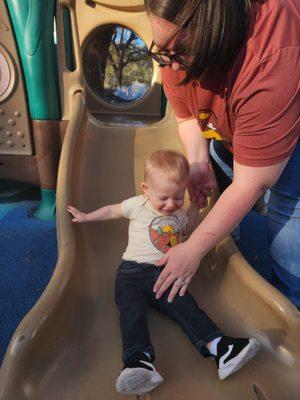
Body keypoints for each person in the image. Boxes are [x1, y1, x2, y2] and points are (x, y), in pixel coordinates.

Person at [144, 0, 300, 308]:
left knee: (289, 198)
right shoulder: (173, 48)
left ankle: (291, 306)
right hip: (244, 115)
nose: (172, 65)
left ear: (216, 34)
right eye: (163, 51)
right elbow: (187, 116)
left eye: (181, 53)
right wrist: (198, 162)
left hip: (288, 116)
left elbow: (253, 182)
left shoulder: (271, 56)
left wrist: (194, 249)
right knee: (216, 159)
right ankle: (232, 244)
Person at [67, 150, 261, 396]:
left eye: (178, 197)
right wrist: (86, 217)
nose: (171, 204)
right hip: (131, 273)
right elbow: (111, 211)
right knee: (131, 312)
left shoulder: (178, 213)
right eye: (164, 198)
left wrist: (193, 207)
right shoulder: (137, 204)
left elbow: (188, 228)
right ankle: (138, 360)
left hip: (166, 272)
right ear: (146, 189)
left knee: (185, 306)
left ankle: (220, 348)